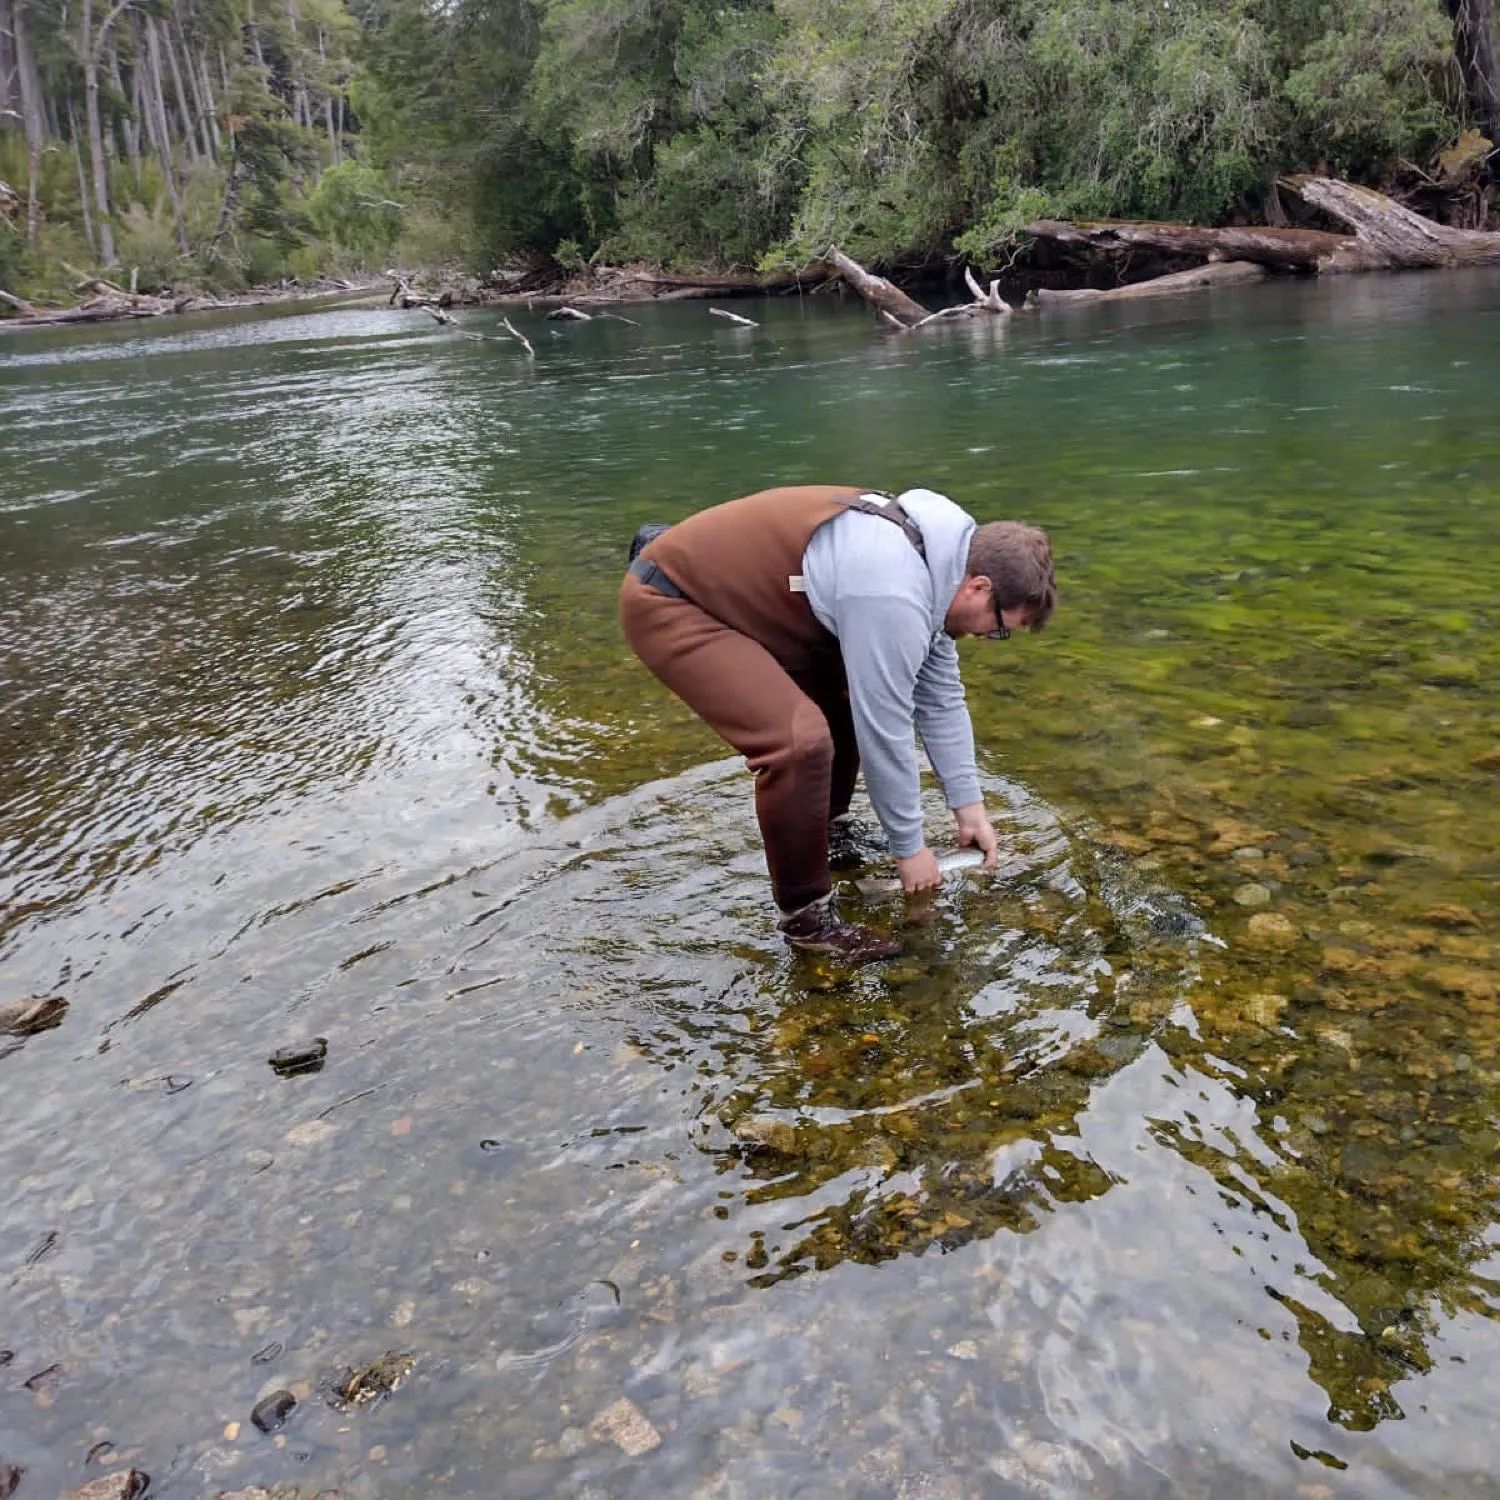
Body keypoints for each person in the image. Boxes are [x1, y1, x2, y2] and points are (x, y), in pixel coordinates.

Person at [619, 484, 1055, 962]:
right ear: (979, 586)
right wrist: (910, 850)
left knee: (846, 696)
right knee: (798, 743)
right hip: (673, 600)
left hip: (765, 606)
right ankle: (806, 919)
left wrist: (969, 811)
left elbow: (941, 699)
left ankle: (827, 832)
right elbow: (885, 728)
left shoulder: (938, 565)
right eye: (998, 628)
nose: (990, 639)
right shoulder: (892, 588)